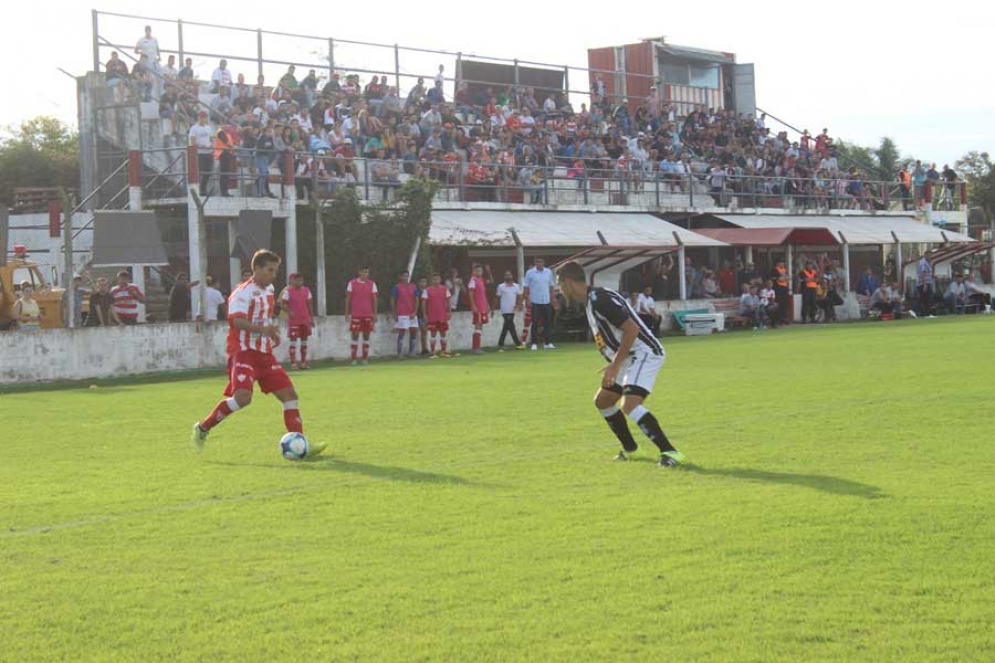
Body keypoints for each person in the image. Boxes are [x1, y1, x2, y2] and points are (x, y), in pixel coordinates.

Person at [191, 250, 325, 457]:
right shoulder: (241, 293)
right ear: (257, 269)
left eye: (275, 270)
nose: (273, 275)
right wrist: (264, 330)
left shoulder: (269, 288)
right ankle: (202, 428)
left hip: (264, 353)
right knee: (243, 398)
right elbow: (237, 321)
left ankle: (301, 444)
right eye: (270, 270)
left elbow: (263, 315)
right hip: (243, 352)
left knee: (290, 396)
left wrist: (271, 332)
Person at [554, 261, 686, 468]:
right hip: (627, 356)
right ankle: (632, 450)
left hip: (644, 353)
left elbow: (631, 330)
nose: (559, 290)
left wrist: (615, 365)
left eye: (559, 284)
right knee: (603, 401)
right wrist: (614, 362)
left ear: (568, 282)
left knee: (630, 404)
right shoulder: (592, 300)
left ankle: (670, 452)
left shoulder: (599, 299)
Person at [280, 273, 315, 369]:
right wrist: (289, 312)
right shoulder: (288, 292)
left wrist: (311, 318)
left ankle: (303, 363)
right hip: (294, 321)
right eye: (297, 280)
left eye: (301, 280)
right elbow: (282, 304)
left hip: (305, 319)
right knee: (293, 341)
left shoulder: (306, 290)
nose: (299, 282)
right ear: (293, 281)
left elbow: (310, 305)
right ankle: (293, 363)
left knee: (304, 341)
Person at [346, 267, 378, 366]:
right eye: (364, 272)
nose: (366, 274)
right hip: (356, 314)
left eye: (367, 272)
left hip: (368, 314)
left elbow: (375, 299)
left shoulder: (372, 284)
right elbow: (348, 298)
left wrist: (375, 313)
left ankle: (365, 359)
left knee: (366, 335)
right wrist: (346, 313)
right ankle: (354, 359)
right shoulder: (351, 283)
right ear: (359, 272)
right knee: (355, 334)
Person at [524, 256, 557, 350]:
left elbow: (551, 286)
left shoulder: (548, 272)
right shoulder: (530, 273)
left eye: (541, 262)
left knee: (548, 323)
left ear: (544, 262)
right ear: (535, 263)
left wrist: (553, 299)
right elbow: (526, 287)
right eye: (537, 262)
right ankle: (534, 343)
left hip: (546, 301)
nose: (539, 263)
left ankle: (548, 343)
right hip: (535, 301)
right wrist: (527, 299)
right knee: (534, 323)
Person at [421, 273, 452, 357]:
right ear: (431, 280)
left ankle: (443, 351)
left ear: (440, 279)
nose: (436, 281)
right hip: (432, 316)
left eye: (437, 279)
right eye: (434, 279)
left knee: (443, 333)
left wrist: (449, 312)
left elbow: (448, 301)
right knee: (433, 333)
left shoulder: (445, 289)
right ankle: (433, 351)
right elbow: (423, 303)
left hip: (442, 315)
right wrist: (425, 314)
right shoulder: (427, 290)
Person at [390, 270, 419, 358]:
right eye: (404, 276)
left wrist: (415, 312)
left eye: (407, 276)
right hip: (402, 313)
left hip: (412, 313)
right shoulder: (397, 287)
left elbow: (417, 299)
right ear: (400, 277)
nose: (405, 278)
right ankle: (400, 353)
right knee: (402, 332)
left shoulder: (413, 286)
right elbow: (392, 300)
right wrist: (394, 313)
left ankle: (412, 352)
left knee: (413, 331)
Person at [494, 271, 524, 349]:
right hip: (505, 309)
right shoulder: (501, 286)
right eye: (506, 275)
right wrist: (493, 309)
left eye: (509, 275)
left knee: (506, 326)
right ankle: (518, 343)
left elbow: (520, 296)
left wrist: (519, 305)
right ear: (504, 277)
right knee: (511, 326)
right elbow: (497, 298)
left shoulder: (516, 286)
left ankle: (500, 344)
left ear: (512, 276)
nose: (508, 276)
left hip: (513, 309)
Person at [467, 264, 492, 355]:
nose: (479, 272)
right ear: (473, 271)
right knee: (478, 325)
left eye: (480, 271)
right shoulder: (473, 281)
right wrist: (473, 305)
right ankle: (475, 347)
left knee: (480, 325)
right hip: (478, 307)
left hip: (483, 306)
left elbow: (483, 294)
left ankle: (477, 347)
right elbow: (470, 294)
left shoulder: (481, 280)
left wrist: (487, 305)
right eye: (477, 270)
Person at [916, 251, 934, 317]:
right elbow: (923, 274)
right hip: (924, 283)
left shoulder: (926, 262)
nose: (930, 257)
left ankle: (918, 312)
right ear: (925, 255)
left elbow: (928, 273)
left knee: (923, 299)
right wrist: (925, 284)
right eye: (929, 255)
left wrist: (934, 276)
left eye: (931, 255)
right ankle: (927, 314)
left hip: (925, 282)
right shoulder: (923, 263)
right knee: (927, 299)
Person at [416, 276, 430, 355]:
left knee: (425, 332)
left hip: (427, 314)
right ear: (418, 283)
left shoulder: (428, 291)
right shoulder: (417, 292)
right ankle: (424, 348)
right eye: (421, 281)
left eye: (424, 281)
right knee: (423, 330)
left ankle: (425, 348)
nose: (423, 283)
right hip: (419, 314)